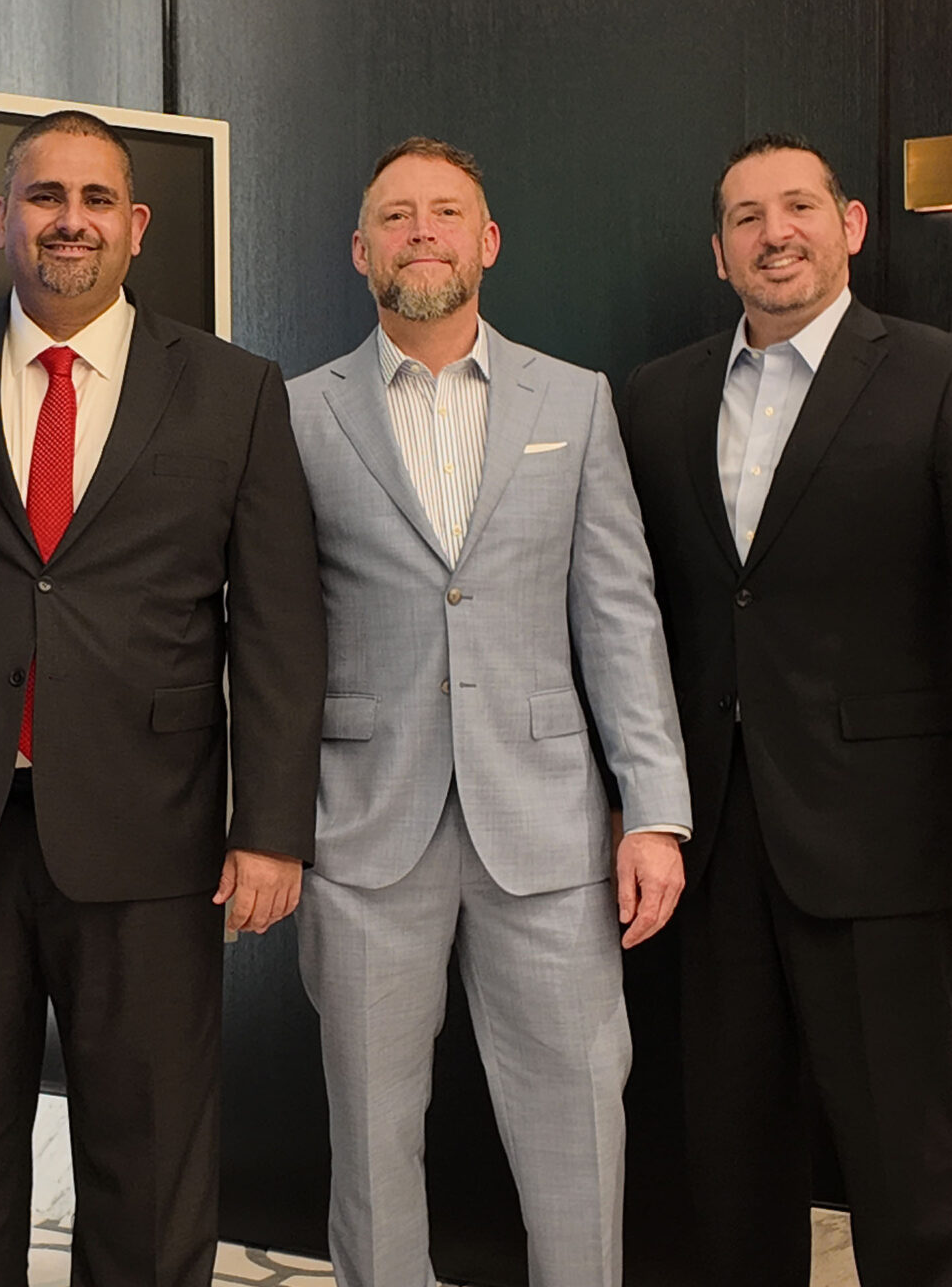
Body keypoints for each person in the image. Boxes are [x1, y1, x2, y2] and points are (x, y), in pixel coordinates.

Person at [0, 110, 324, 1287]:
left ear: (137, 225)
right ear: (1, 218)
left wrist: (270, 827)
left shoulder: (232, 389)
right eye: (46, 196)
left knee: (149, 1162)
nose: (71, 220)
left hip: (151, 833)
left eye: (97, 198)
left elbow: (278, 622)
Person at [619, 133, 952, 1287]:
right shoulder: (655, 399)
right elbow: (637, 614)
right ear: (717, 253)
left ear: (851, 226)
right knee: (727, 1163)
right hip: (711, 845)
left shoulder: (949, 378)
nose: (776, 234)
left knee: (909, 1162)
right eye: (747, 218)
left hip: (889, 846)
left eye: (799, 208)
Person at [286, 136, 690, 1287]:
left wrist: (653, 809)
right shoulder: (296, 412)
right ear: (360, 250)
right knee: (371, 1141)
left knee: (577, 1122)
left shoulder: (574, 399)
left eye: (446, 212)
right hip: (362, 829)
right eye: (396, 215)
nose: (422, 231)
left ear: (487, 241)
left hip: (550, 830)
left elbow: (618, 612)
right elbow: (265, 632)